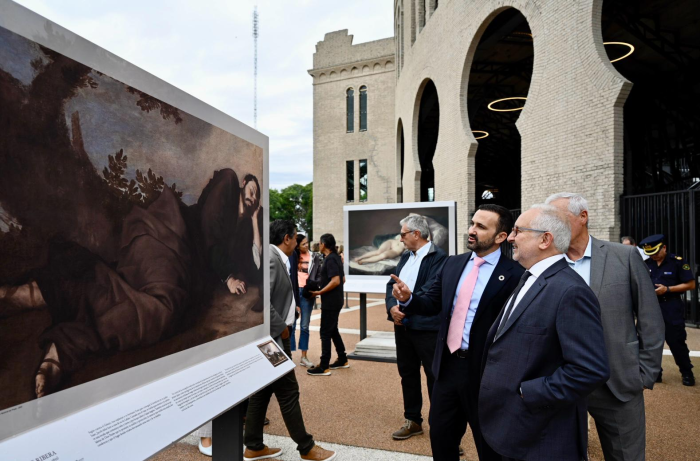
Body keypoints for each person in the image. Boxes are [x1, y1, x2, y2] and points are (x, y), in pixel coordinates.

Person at [1, 169, 262, 398]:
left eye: (258, 196)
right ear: (241, 185)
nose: (253, 196)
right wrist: (227, 276)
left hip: (179, 262)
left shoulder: (241, 230)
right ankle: (56, 332)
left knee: (133, 295)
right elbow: (208, 234)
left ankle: (41, 304)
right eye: (252, 189)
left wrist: (253, 221)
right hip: (168, 237)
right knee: (160, 311)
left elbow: (256, 267)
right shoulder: (227, 182)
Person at [391, 204, 523, 461]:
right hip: (447, 368)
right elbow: (429, 301)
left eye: (481, 227)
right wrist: (408, 299)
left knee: (490, 446)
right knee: (441, 439)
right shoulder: (454, 264)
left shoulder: (516, 275)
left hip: (485, 373)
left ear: (501, 237)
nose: (472, 230)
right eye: (473, 223)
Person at [479, 204, 610, 461]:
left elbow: (590, 369)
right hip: (513, 428)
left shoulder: (570, 291)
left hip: (540, 436)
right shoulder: (531, 278)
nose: (512, 237)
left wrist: (529, 392)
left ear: (545, 239)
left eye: (518, 231)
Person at [547, 193, 664, 461]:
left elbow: (650, 318)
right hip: (562, 382)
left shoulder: (624, 256)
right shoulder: (547, 263)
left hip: (619, 382)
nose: (551, 226)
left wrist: (644, 373)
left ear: (583, 216)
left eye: (557, 218)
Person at [243, 219, 336, 461]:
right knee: (288, 391)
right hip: (272, 339)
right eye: (296, 238)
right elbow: (262, 300)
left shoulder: (274, 257)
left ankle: (253, 445)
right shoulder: (272, 259)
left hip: (270, 338)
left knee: (262, 391)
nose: (297, 242)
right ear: (286, 238)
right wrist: (282, 329)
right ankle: (306, 448)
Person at [385, 215, 447, 441]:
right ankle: (413, 421)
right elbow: (391, 284)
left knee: (434, 377)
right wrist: (392, 307)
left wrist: (405, 309)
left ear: (416, 234)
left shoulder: (439, 257)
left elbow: (431, 292)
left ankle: (442, 430)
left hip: (427, 328)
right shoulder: (405, 257)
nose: (400, 239)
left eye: (403, 234)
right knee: (407, 374)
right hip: (403, 326)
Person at [639, 234, 696, 386]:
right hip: (651, 308)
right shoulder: (646, 264)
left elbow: (691, 285)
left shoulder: (677, 262)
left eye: (656, 252)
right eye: (651, 253)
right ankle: (655, 372)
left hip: (671, 306)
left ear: (664, 247)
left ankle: (687, 372)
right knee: (651, 342)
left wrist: (668, 289)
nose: (654, 256)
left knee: (676, 342)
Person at [307, 233, 348, 376]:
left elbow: (336, 280)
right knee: (332, 330)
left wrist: (319, 292)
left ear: (324, 244)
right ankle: (342, 359)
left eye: (320, 243)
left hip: (331, 302)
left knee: (325, 332)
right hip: (335, 300)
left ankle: (324, 365)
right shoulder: (335, 258)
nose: (319, 245)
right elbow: (343, 279)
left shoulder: (330, 259)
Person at [292, 234, 315, 368]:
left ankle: (304, 357)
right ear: (298, 245)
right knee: (292, 325)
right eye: (303, 244)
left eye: (307, 243)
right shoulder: (293, 256)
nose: (306, 246)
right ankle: (288, 355)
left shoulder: (313, 256)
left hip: (306, 293)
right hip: (295, 292)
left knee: (305, 326)